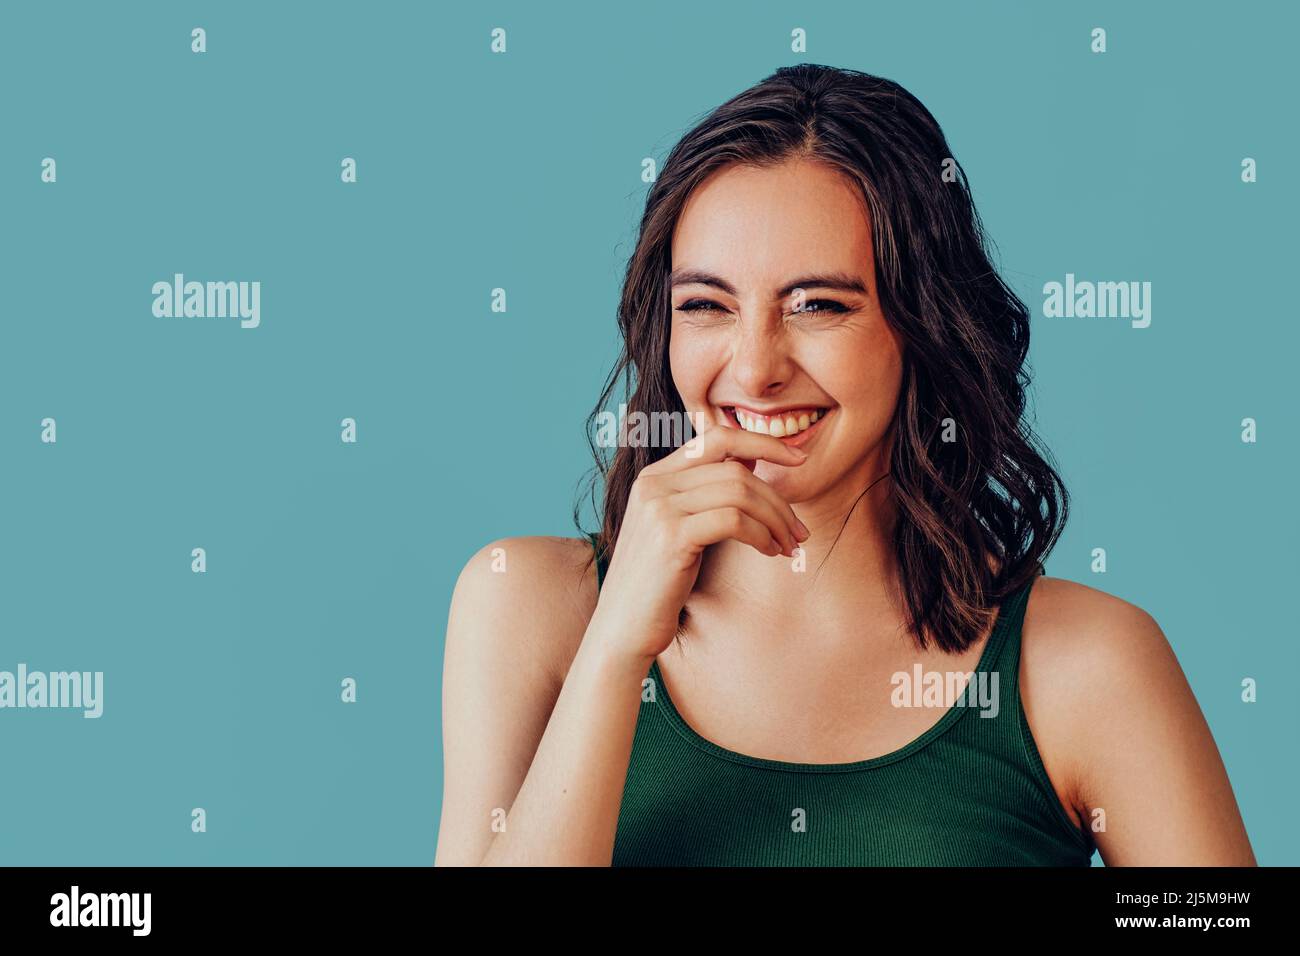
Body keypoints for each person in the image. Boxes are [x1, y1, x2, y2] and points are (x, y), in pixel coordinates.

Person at [434, 64, 1256, 866]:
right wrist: (614, 649)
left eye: (817, 306)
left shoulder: (1084, 664)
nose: (754, 369)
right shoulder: (528, 610)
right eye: (706, 306)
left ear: (923, 324)